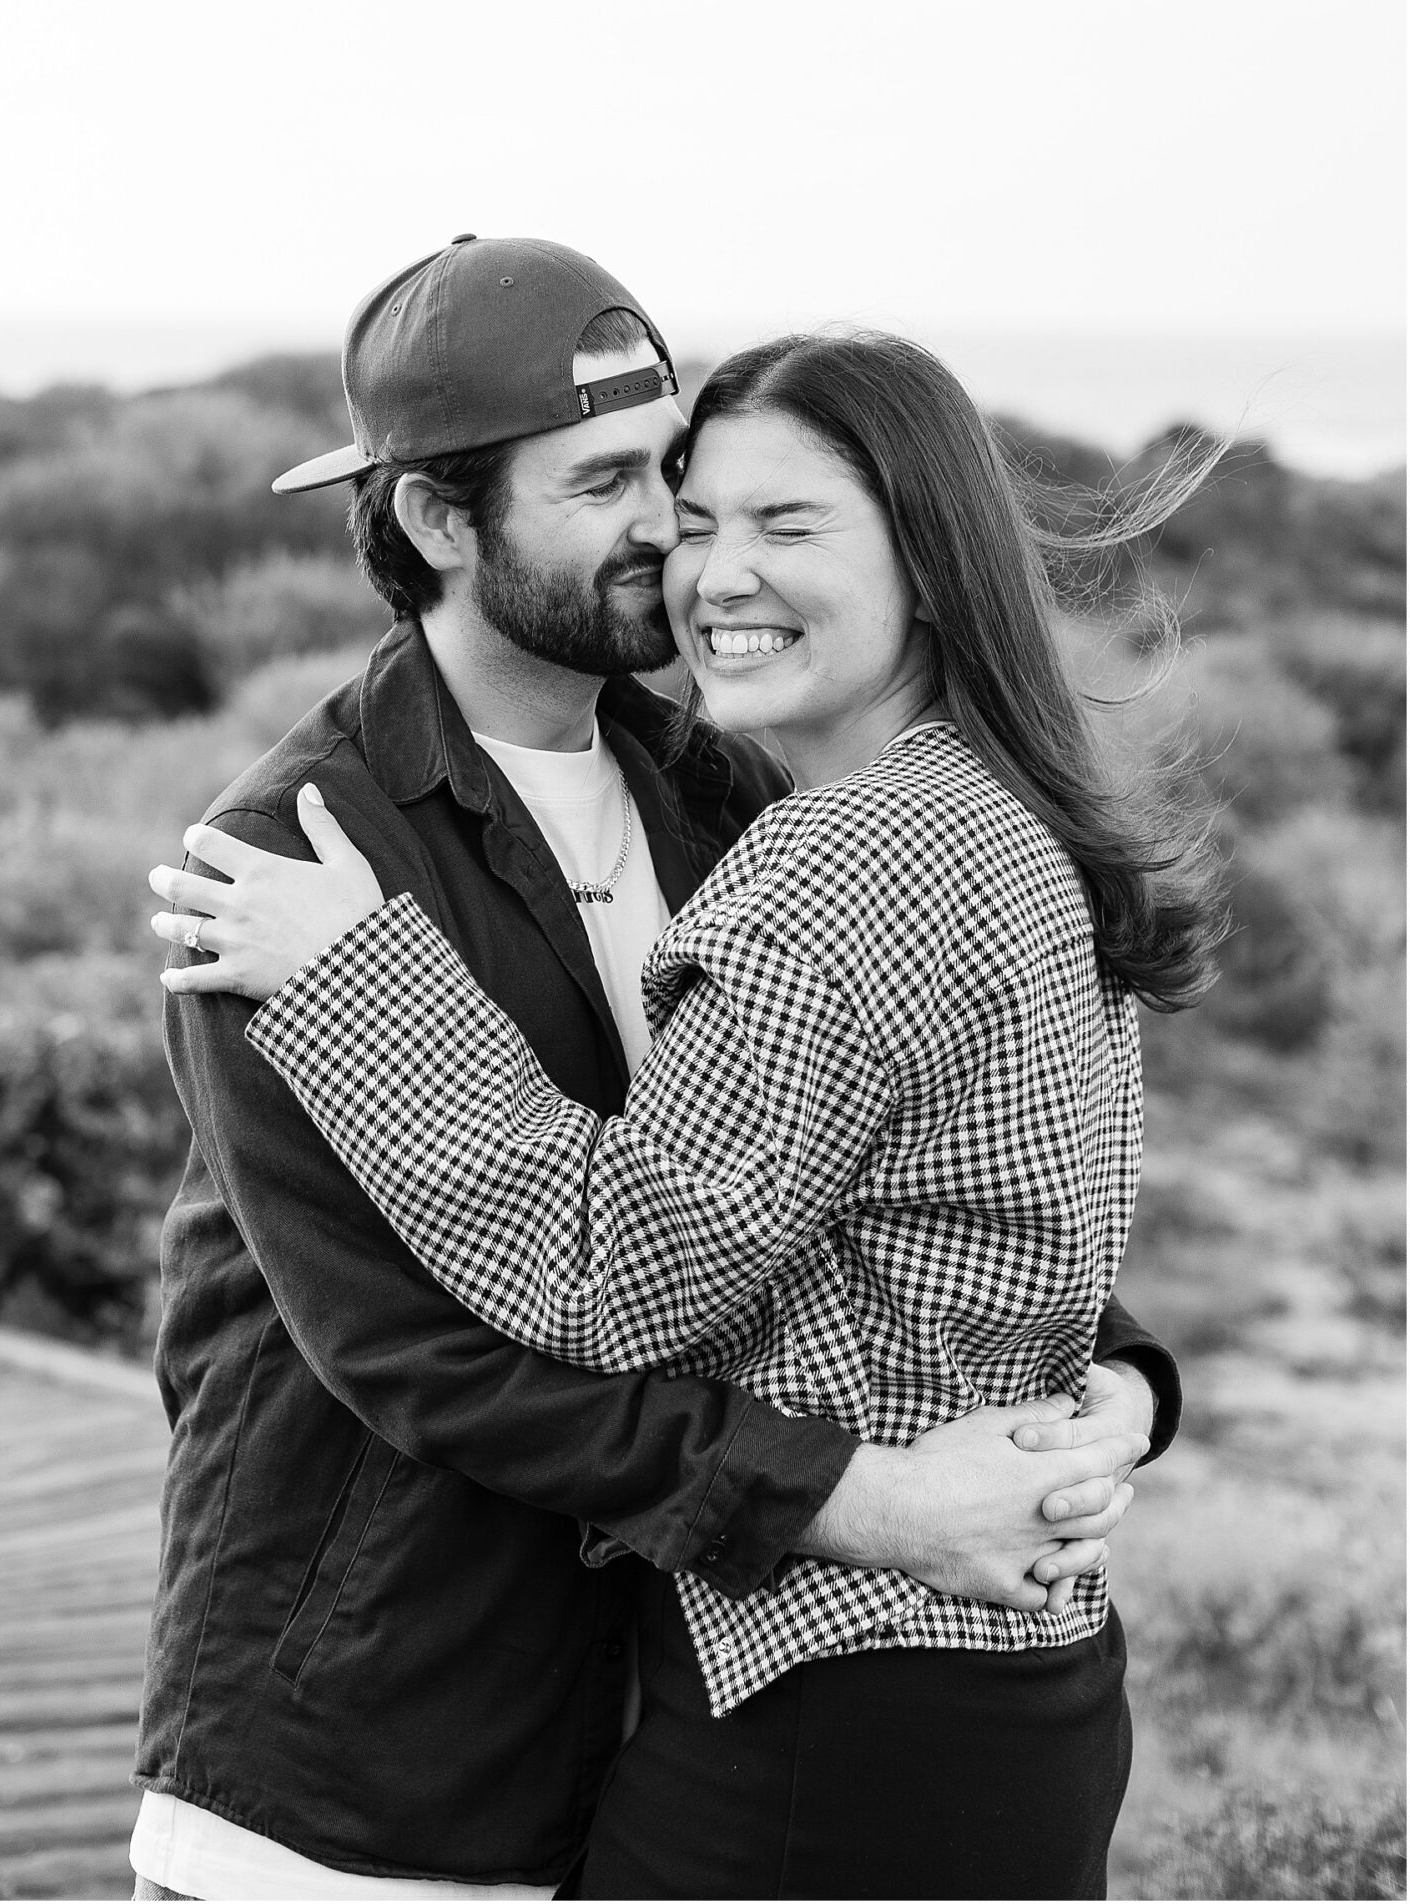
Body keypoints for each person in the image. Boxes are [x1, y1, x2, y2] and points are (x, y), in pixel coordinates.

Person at [133, 240, 1177, 1904]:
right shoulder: (293, 869)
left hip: (665, 1705)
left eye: (682, 481)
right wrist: (867, 1504)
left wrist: (1110, 1385)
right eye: (614, 485)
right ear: (436, 522)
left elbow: (868, 1182)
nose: (669, 542)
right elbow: (414, 1359)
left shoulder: (732, 795)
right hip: (383, 1751)